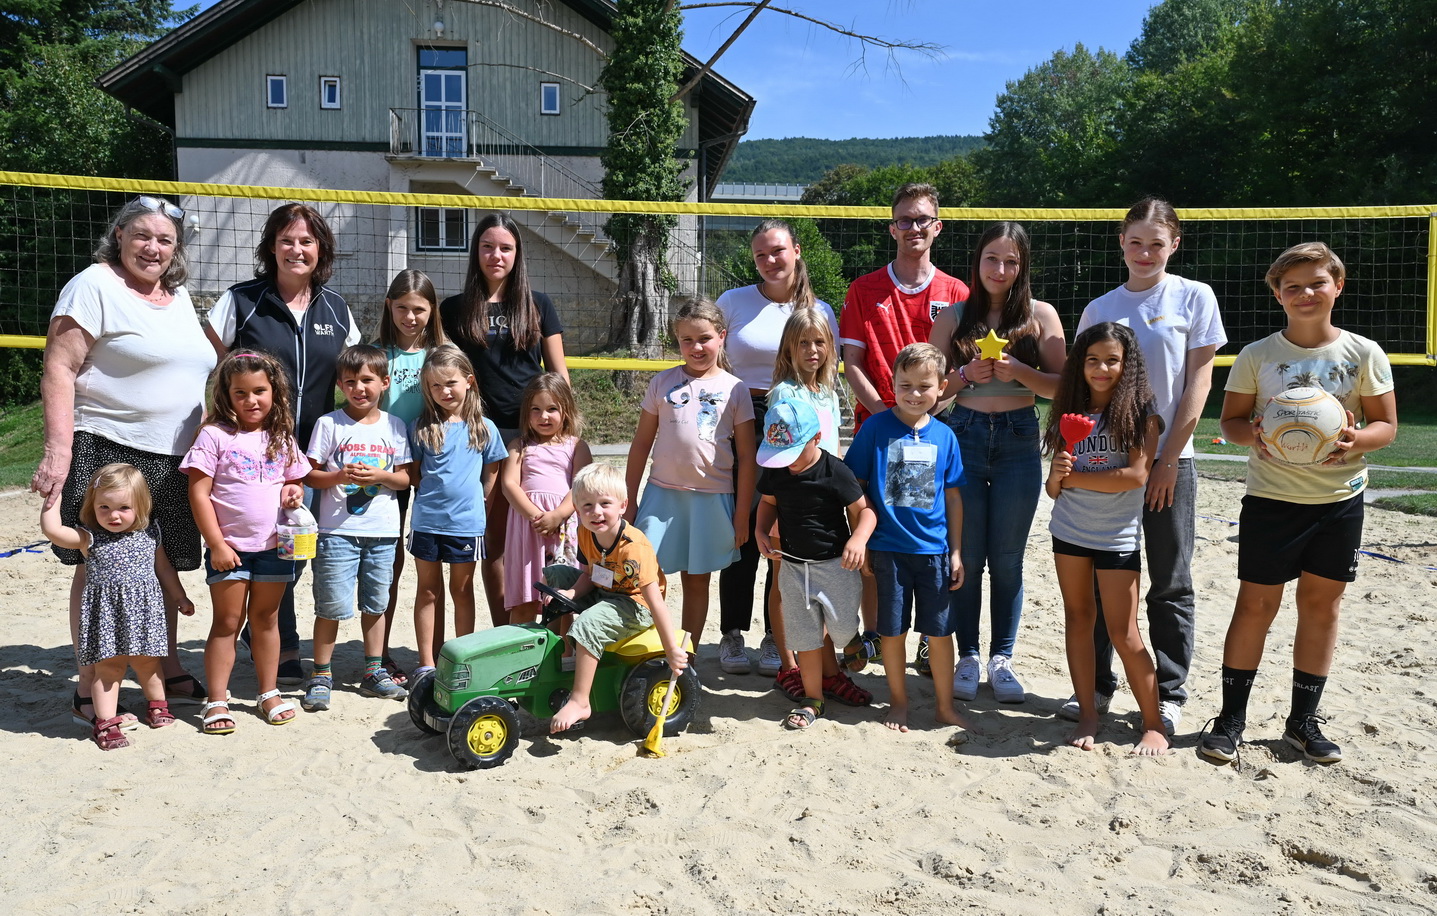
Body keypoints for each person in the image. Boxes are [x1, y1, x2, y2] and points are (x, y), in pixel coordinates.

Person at [1199, 243, 1397, 766]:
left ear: (1338, 286)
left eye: (1316, 283)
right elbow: (1232, 423)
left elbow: (1386, 425)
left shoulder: (1363, 354)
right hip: (1271, 500)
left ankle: (1303, 721)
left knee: (1320, 608)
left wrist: (1358, 441)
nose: (1305, 294)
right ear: (1278, 295)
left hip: (1337, 502)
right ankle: (1230, 719)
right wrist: (1254, 437)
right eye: (1292, 287)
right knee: (1255, 606)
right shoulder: (1259, 355)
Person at [34, 195, 214, 728]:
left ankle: (164, 664)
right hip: (108, 447)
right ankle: (91, 683)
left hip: (174, 454)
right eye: (142, 235)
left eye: (164, 239)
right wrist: (57, 450)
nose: (152, 247)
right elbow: (59, 367)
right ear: (119, 236)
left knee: (161, 565)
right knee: (101, 568)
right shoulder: (93, 284)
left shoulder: (178, 296)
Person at [1069, 197, 1227, 736]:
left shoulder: (1193, 296)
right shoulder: (1100, 308)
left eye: (1156, 243)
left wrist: (1167, 458)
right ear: (1121, 243)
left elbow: (1198, 384)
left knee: (1169, 580)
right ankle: (1097, 687)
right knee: (1097, 581)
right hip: (1105, 461)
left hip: (1169, 461)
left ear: (1174, 245)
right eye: (1135, 241)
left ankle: (1170, 691)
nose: (1145, 252)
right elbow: (1083, 388)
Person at [204, 202, 360, 686]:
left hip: (307, 454)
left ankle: (265, 630)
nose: (297, 249)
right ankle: (284, 645)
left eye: (307, 241)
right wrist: (217, 426)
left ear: (321, 250)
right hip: (250, 454)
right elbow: (210, 367)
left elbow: (356, 378)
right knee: (265, 546)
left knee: (293, 549)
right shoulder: (241, 300)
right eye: (288, 240)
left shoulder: (336, 309)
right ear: (272, 246)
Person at [929, 222, 1066, 705]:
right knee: (962, 557)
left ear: (1023, 266)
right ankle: (967, 655)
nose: (1001, 270)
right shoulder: (952, 317)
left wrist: (1022, 373)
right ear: (978, 260)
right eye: (993, 258)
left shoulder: (1041, 315)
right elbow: (928, 396)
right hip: (962, 437)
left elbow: (1062, 387)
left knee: (1007, 559)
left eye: (1012, 261)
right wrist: (963, 374)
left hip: (1019, 440)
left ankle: (1001, 659)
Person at [840, 183, 970, 674]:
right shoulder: (865, 288)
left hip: (933, 431)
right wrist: (885, 414)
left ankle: (924, 639)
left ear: (937, 227)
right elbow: (851, 361)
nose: (913, 228)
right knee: (877, 534)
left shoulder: (957, 293)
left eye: (922, 220)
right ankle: (875, 633)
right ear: (891, 226)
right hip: (878, 425)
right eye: (904, 220)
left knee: (925, 528)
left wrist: (925, 414)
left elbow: (963, 368)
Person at [716, 219, 839, 680]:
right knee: (745, 527)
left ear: (796, 251)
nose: (770, 261)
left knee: (785, 533)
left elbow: (827, 379)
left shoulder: (817, 309)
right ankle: (732, 632)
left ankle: (774, 635)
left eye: (778, 251)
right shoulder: (734, 302)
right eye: (761, 254)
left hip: (797, 424)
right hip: (743, 417)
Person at [1045, 323, 1169, 756]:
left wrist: (1075, 476)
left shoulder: (1141, 414)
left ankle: (1153, 724)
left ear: (1127, 364)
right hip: (1069, 532)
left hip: (1116, 538)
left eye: (1111, 360)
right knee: (1078, 620)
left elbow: (1135, 476)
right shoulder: (1070, 413)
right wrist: (1058, 475)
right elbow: (1054, 491)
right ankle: (1088, 714)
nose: (1101, 368)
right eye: (1092, 359)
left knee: (1124, 632)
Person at [440, 213, 569, 625]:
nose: (496, 255)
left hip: (532, 434)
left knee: (545, 532)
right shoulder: (454, 309)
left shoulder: (538, 304)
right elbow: (446, 371)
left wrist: (563, 431)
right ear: (475, 251)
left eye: (506, 248)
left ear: (517, 254)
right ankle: (504, 633)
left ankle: (551, 627)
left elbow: (559, 374)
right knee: (494, 540)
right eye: (488, 246)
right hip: (480, 437)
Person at [182, 351, 311, 734]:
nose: (251, 400)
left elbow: (295, 479)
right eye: (241, 393)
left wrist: (293, 491)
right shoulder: (214, 435)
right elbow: (198, 494)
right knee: (227, 622)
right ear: (226, 393)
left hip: (275, 547)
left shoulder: (281, 435)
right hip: (230, 550)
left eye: (259, 391)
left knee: (266, 620)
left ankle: (267, 692)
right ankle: (217, 700)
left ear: (274, 391)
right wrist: (217, 544)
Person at [843, 343, 967, 733]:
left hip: (933, 552)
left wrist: (957, 552)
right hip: (886, 550)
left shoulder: (946, 436)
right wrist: (858, 539)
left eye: (924, 386)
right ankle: (898, 702)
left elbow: (953, 497)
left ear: (942, 386)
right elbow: (854, 487)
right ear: (892, 384)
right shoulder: (874, 428)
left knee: (940, 632)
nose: (915, 394)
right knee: (891, 632)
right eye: (905, 385)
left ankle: (945, 707)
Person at [626, 298, 755, 659]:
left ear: (722, 337)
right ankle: (651, 651)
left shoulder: (735, 389)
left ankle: (687, 655)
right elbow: (640, 445)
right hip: (661, 495)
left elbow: (746, 458)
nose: (696, 347)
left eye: (704, 338)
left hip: (711, 498)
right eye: (686, 340)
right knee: (648, 578)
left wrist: (742, 513)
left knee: (697, 580)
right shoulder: (662, 383)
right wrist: (629, 498)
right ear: (677, 341)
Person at [40, 464, 196, 750]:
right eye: (104, 507)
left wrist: (180, 597)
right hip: (107, 619)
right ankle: (106, 722)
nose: (113, 515)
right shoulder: (89, 537)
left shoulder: (151, 533)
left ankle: (157, 706)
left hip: (144, 617)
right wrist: (54, 495)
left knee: (149, 664)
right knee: (109, 670)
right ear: (93, 505)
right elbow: (53, 530)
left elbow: (164, 570)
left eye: (124, 507)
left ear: (140, 505)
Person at [764, 309, 873, 707]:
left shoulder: (828, 389)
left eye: (820, 342)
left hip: (825, 500)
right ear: (789, 348)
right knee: (787, 588)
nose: (812, 350)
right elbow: (779, 455)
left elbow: (830, 452)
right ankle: (790, 665)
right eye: (803, 342)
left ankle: (828, 671)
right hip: (792, 504)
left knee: (824, 591)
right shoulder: (784, 393)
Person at [302, 345, 415, 712]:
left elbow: (406, 479)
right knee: (330, 606)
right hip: (336, 532)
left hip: (382, 533)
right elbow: (309, 474)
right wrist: (338, 475)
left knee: (376, 605)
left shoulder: (395, 426)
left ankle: (373, 670)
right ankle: (321, 674)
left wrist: (381, 475)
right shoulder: (329, 424)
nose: (359, 388)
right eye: (350, 381)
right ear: (340, 385)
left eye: (367, 380)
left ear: (384, 382)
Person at [754, 399, 876, 730]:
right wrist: (760, 530)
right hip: (793, 568)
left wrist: (858, 540)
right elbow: (768, 502)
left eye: (795, 451)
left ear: (817, 438)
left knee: (838, 627)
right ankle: (813, 699)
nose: (788, 462)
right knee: (806, 637)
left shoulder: (835, 470)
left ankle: (851, 641)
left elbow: (866, 511)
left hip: (836, 566)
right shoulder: (776, 470)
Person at [545, 463, 689, 734]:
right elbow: (589, 573)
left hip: (635, 605)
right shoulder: (585, 532)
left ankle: (580, 700)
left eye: (604, 503)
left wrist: (671, 650)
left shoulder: (633, 547)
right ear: (577, 509)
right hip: (605, 589)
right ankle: (557, 657)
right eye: (587, 505)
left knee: (589, 623)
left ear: (622, 506)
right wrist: (571, 593)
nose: (596, 512)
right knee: (553, 576)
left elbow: (654, 601)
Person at [408, 345, 507, 680]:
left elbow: (492, 472)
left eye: (450, 383)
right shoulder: (422, 427)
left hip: (466, 525)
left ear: (469, 381)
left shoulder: (485, 429)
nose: (444, 391)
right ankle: (426, 663)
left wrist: (481, 505)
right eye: (435, 386)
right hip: (426, 522)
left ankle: (463, 659)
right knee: (427, 590)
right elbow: (416, 474)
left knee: (461, 590)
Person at [376, 268, 448, 685]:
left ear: (431, 310)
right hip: (389, 469)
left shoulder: (442, 353)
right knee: (389, 560)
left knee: (433, 563)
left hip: (435, 469)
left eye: (418, 309)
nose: (410, 316)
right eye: (402, 307)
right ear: (390, 306)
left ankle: (436, 654)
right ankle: (380, 652)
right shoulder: (376, 353)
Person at [500, 373, 592, 624]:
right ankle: (520, 656)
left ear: (566, 411)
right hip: (528, 530)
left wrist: (558, 515)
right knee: (525, 597)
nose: (544, 416)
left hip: (564, 529)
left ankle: (563, 658)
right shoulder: (519, 445)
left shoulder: (577, 446)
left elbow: (581, 485)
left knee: (563, 597)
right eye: (536, 410)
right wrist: (537, 516)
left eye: (552, 409)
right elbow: (509, 485)